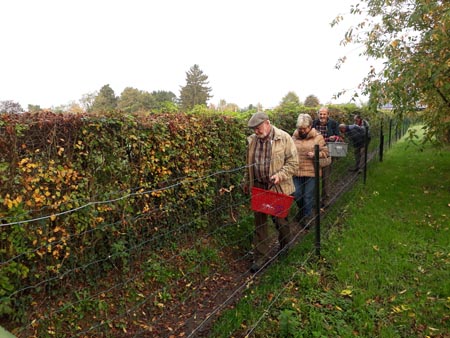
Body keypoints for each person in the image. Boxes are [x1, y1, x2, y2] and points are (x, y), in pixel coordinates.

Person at [243, 112, 298, 272]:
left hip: (278, 188)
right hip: (259, 187)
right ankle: (261, 258)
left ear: (267, 123)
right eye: (254, 129)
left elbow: (294, 163)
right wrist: (247, 181)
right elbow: (249, 164)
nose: (256, 132)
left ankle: (285, 246)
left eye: (258, 128)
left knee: (281, 221)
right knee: (260, 222)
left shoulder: (284, 138)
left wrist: (280, 176)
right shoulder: (252, 140)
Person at [292, 114, 329, 228]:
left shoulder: (318, 137)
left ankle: (306, 217)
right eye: (300, 128)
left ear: (310, 126)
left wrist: (315, 154)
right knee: (297, 194)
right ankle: (302, 212)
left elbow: (326, 153)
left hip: (312, 172)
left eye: (304, 128)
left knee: (308, 196)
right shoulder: (294, 136)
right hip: (297, 171)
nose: (302, 130)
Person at [312, 106, 340, 207]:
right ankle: (313, 200)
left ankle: (325, 200)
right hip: (314, 154)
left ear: (328, 115)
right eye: (320, 114)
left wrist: (334, 137)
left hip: (327, 154)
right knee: (313, 178)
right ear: (318, 114)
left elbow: (338, 136)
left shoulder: (333, 124)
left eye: (324, 114)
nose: (322, 116)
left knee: (325, 178)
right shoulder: (314, 123)